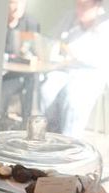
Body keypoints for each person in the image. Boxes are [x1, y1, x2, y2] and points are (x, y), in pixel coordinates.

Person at [40, 0, 109, 137]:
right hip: (66, 69)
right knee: (46, 89)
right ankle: (52, 133)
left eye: (84, 7)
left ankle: (69, 141)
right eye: (77, 5)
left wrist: (76, 55)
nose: (79, 10)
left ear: (96, 6)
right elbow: (54, 39)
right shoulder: (70, 17)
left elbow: (102, 59)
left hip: (92, 73)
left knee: (73, 97)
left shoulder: (104, 23)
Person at [0, 0, 40, 129]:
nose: (17, 8)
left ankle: (27, 125)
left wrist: (28, 55)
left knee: (31, 81)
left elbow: (36, 53)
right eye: (13, 2)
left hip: (18, 75)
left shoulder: (30, 24)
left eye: (21, 3)